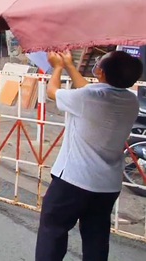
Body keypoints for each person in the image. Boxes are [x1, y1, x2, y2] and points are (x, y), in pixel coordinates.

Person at [35, 50, 143, 261]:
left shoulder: (88, 98)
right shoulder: (131, 101)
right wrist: (69, 65)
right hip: (107, 185)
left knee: (53, 230)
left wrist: (57, 66)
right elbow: (88, 89)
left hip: (73, 181)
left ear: (101, 73)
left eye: (97, 63)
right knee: (96, 237)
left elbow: (52, 91)